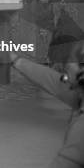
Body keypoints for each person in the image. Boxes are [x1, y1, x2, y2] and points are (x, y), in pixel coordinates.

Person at [10, 37, 84, 168]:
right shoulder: (79, 94)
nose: (65, 66)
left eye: (70, 61)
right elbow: (53, 80)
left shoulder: (81, 128)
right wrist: (16, 60)